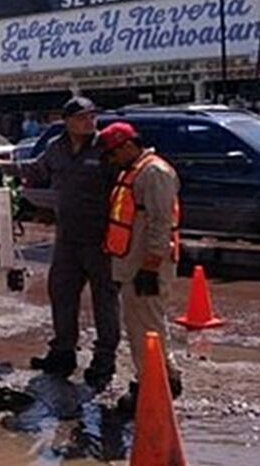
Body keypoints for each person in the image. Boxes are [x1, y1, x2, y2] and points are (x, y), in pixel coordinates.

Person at [0, 96, 119, 389]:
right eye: (83, 117)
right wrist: (4, 166)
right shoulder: (57, 148)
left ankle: (104, 360)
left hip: (101, 240)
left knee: (105, 301)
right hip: (67, 238)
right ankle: (63, 353)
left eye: (92, 116)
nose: (90, 121)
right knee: (61, 293)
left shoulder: (106, 148)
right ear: (68, 121)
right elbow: (36, 170)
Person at [97, 122, 182, 412]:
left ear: (128, 145)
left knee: (144, 330)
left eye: (112, 153)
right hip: (136, 265)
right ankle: (166, 378)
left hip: (146, 267)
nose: (111, 160)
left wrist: (150, 265)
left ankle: (150, 389)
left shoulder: (153, 173)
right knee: (151, 326)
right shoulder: (136, 170)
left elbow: (161, 223)